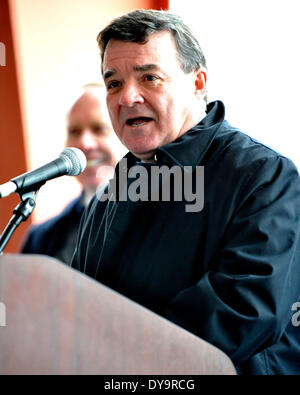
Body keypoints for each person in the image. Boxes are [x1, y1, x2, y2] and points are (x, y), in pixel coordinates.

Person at [71, 10, 300, 375]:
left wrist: (121, 359)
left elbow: (246, 312)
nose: (127, 97)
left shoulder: (262, 175)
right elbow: (79, 308)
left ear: (198, 84)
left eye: (149, 77)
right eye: (113, 83)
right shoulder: (110, 195)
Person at [21, 84, 120, 265]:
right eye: (74, 131)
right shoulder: (40, 240)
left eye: (100, 129)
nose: (85, 143)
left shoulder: (159, 217)